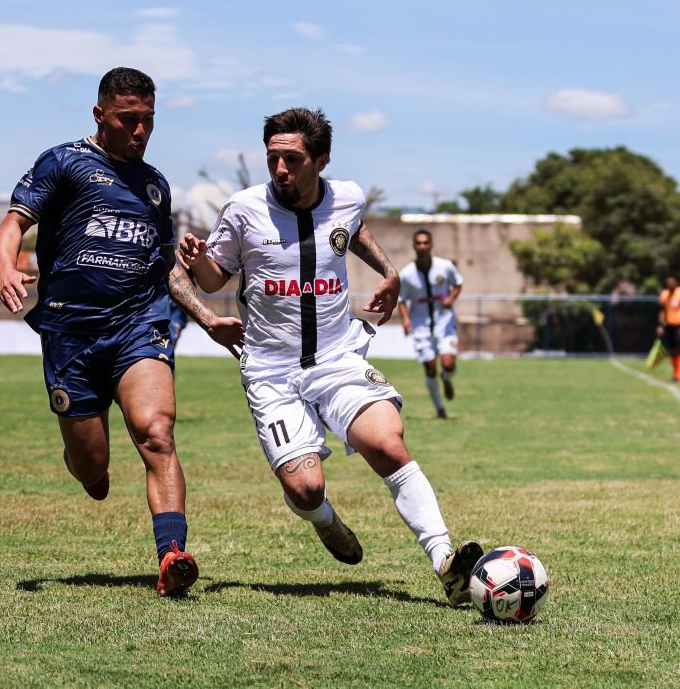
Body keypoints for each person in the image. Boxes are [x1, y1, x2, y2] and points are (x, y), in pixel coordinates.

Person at [179, 107, 482, 606]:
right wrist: (198, 265)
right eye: (273, 158)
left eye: (292, 159)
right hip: (271, 371)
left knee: (386, 442)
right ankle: (323, 518)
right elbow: (215, 279)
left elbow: (351, 227)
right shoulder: (243, 210)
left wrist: (389, 273)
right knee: (305, 490)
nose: (280, 169)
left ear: (320, 160)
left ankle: (445, 563)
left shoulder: (346, 197)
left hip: (337, 357)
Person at [0, 67, 243, 598]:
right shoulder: (63, 162)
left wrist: (207, 317)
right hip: (69, 334)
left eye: (148, 120)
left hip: (137, 326)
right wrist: (6, 264)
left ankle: (172, 555)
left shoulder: (155, 187)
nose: (140, 131)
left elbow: (166, 270)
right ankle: (84, 461)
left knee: (156, 433)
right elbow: (14, 223)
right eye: (129, 119)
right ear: (100, 114)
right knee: (94, 471)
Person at [396, 230, 463, 419]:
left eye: (426, 243)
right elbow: (401, 300)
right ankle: (440, 409)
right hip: (421, 327)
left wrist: (451, 298)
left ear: (431, 245)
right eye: (419, 243)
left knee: (448, 365)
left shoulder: (445, 266)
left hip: (445, 323)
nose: (423, 246)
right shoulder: (407, 274)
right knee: (431, 368)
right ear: (414, 246)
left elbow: (458, 283)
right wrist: (406, 320)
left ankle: (447, 378)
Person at [656, 274, 680, 383]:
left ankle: (679, 374)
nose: (670, 284)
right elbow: (663, 311)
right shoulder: (664, 294)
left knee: (679, 349)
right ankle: (675, 373)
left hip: (679, 324)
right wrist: (661, 325)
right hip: (668, 325)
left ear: (676, 282)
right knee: (672, 350)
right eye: (668, 282)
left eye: (672, 282)